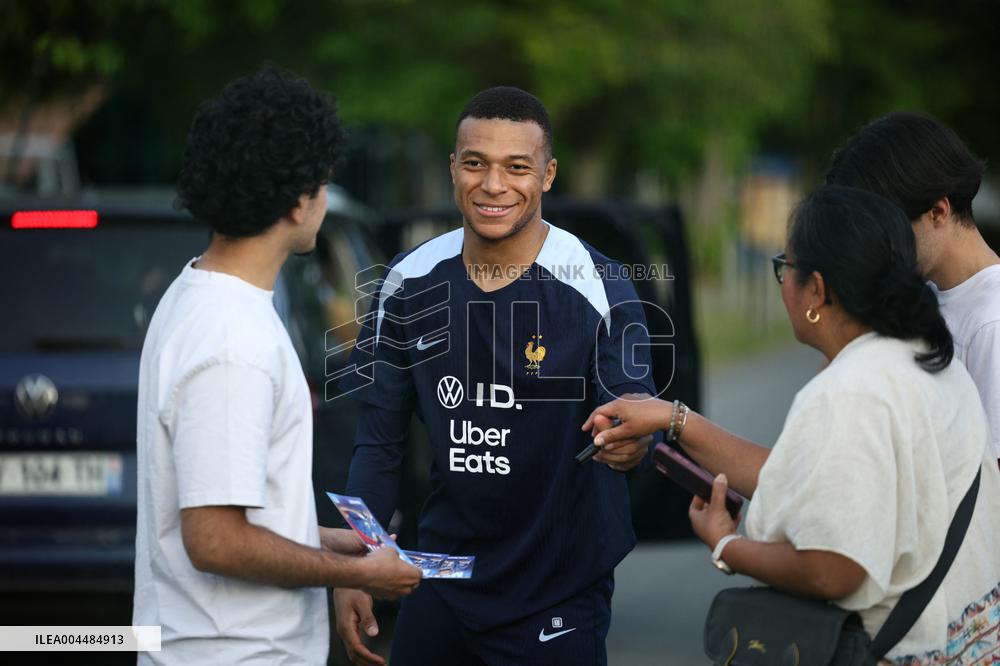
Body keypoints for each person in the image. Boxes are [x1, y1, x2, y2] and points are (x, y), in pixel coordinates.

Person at [586, 186, 1000, 662]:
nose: (782, 282)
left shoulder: (849, 393)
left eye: (785, 267)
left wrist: (726, 543)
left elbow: (833, 569)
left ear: (817, 290)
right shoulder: (927, 359)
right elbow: (815, 479)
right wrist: (673, 418)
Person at [332, 86, 657, 665]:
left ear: (548, 175)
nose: (493, 185)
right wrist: (357, 565)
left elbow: (635, 414)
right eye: (476, 163)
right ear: (453, 168)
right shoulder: (407, 283)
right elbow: (378, 443)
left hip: (557, 588)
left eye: (517, 167)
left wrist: (633, 443)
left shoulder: (600, 285)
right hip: (441, 575)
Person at [133, 66, 421, 665]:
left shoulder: (195, 294)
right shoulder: (233, 340)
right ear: (298, 201)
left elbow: (226, 516)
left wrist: (340, 548)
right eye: (323, 181)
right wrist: (357, 573)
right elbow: (214, 541)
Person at [826, 112, 1000, 465]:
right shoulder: (927, 297)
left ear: (938, 212)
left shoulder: (991, 322)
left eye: (887, 227)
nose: (879, 244)